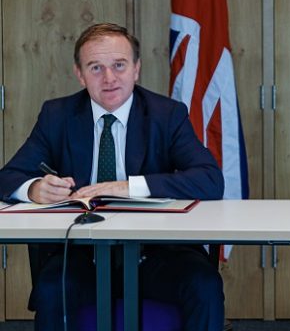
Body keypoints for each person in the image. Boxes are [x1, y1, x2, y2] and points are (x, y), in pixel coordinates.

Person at [0, 23, 225, 330]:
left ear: (136, 69)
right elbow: (8, 177)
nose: (109, 78)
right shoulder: (57, 115)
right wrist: (34, 188)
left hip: (159, 253)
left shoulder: (166, 114)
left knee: (204, 284)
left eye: (119, 65)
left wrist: (129, 187)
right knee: (52, 289)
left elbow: (210, 179)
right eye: (96, 67)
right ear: (79, 74)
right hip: (82, 255)